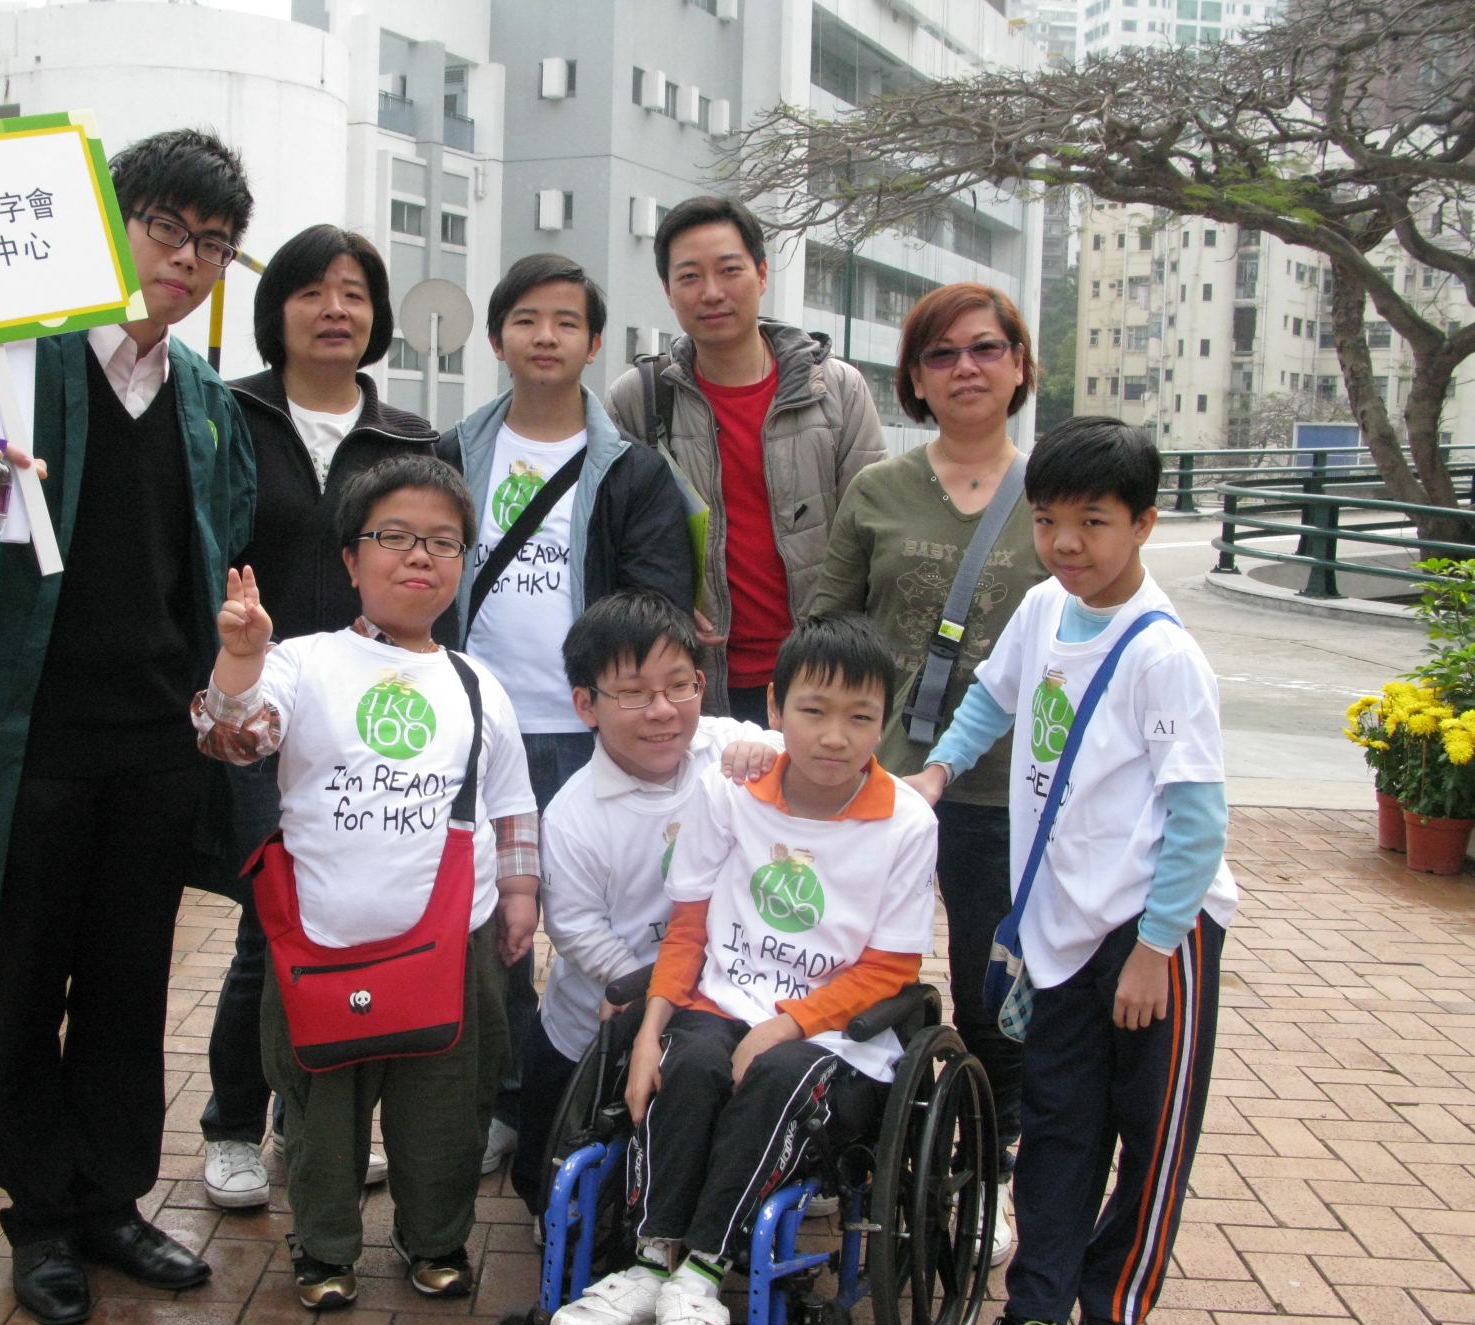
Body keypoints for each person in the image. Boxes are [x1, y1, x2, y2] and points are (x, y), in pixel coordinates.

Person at [0, 130, 257, 1325]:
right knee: (28, 976)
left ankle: (111, 1200)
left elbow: (211, 560)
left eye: (213, 244)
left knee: (133, 981)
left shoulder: (203, 402)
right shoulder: (4, 364)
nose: (186, 259)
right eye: (166, 228)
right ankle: (39, 1217)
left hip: (152, 743)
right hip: (31, 736)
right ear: (109, 224)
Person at [908, 418, 1236, 1325]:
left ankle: (1114, 1312)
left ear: (1143, 523)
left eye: (1093, 522)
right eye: (1049, 520)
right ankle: (1040, 1308)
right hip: (1062, 922)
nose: (1065, 544)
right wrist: (938, 771)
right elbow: (992, 696)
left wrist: (1156, 949)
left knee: (1151, 1131)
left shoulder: (1164, 656)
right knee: (1058, 1122)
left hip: (1155, 927)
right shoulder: (1045, 608)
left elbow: (1199, 821)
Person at [192, 454, 539, 1310]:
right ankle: (324, 1249)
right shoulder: (301, 661)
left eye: (443, 541)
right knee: (322, 1112)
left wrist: (520, 898)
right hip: (325, 940)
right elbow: (233, 738)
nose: (420, 555)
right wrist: (239, 659)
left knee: (447, 1111)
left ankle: (436, 1241)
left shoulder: (478, 683)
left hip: (453, 942)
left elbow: (512, 804)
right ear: (351, 559)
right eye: (395, 536)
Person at [548, 614, 938, 1325]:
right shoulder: (730, 791)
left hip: (833, 1035)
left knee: (775, 1073)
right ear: (775, 709)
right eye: (814, 711)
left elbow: (891, 969)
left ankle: (699, 1277)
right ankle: (652, 1263)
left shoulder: (907, 823)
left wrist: (785, 1025)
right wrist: (649, 1033)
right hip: (722, 1002)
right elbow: (689, 929)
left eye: (861, 718)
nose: (834, 737)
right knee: (688, 1062)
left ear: (885, 723)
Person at [438, 253, 694, 1174]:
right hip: (480, 730)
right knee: (494, 923)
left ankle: (609, 1080)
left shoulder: (634, 471)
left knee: (615, 910)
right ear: (496, 336)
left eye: (566, 322)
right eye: (526, 319)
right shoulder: (451, 455)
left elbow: (658, 601)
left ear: (594, 344)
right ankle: (509, 1098)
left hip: (592, 733)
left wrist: (622, 702)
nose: (545, 337)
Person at [201, 224, 439, 1211]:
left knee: (345, 931)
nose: (334, 310)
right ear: (279, 310)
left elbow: (435, 572)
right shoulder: (224, 415)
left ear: (376, 316)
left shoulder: (411, 440)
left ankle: (315, 1126)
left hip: (368, 722)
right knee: (267, 931)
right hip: (258, 707)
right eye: (312, 291)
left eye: (354, 293)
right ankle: (231, 1126)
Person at [811, 282, 1049, 1262]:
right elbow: (827, 630)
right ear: (913, 377)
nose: (966, 369)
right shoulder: (879, 490)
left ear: (1020, 365)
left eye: (986, 349)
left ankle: (990, 1169)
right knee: (855, 971)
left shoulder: (1052, 493)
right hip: (885, 785)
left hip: (1011, 792)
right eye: (942, 354)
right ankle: (845, 1144)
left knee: (997, 991)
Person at [515, 589, 778, 1213]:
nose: (662, 711)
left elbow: (806, 767)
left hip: (713, 1005)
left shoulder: (727, 748)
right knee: (548, 1187)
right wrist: (651, 990)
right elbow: (576, 928)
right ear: (586, 704)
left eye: (679, 686)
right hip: (597, 1024)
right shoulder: (575, 815)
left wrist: (774, 751)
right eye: (633, 694)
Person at [604, 197, 885, 727]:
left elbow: (872, 537)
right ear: (667, 290)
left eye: (729, 270)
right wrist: (661, 601)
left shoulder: (836, 391)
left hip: (819, 682)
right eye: (689, 276)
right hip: (692, 685)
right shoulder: (640, 398)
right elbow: (614, 542)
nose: (711, 292)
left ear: (761, 273)